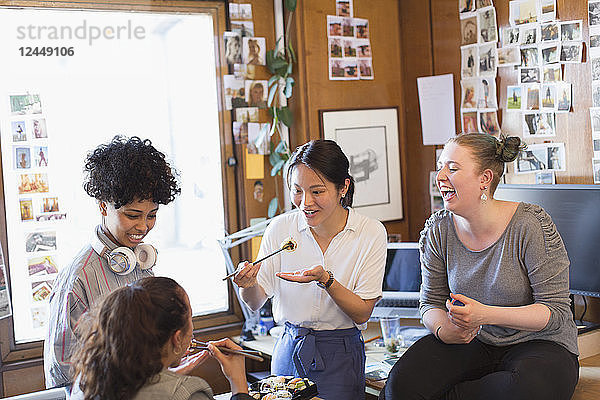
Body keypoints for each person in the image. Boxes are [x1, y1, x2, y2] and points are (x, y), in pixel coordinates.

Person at [380, 133, 579, 400]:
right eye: (440, 166)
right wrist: (444, 330)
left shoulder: (530, 225)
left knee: (525, 390)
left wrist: (485, 314)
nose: (440, 176)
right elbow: (429, 304)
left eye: (452, 168)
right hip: (473, 341)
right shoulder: (438, 230)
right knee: (401, 385)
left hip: (541, 343)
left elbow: (553, 311)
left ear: (484, 179)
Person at [233, 139, 387, 400]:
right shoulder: (280, 230)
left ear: (343, 187)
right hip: (289, 349)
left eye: (317, 192)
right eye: (297, 191)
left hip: (342, 354)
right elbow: (256, 302)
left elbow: (362, 313)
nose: (305, 202)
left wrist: (326, 280)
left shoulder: (369, 232)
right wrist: (247, 285)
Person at [44, 136, 184, 388]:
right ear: (102, 206)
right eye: (132, 215)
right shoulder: (78, 279)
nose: (143, 226)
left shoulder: (142, 263)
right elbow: (62, 373)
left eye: (151, 215)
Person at [70, 277, 253, 400]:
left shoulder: (85, 381)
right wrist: (239, 385)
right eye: (190, 318)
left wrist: (166, 378)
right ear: (177, 338)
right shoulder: (189, 393)